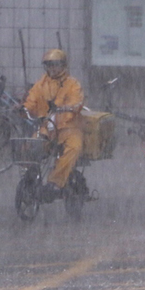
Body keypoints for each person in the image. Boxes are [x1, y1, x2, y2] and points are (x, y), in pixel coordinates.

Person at [22, 48, 85, 202]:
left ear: (63, 66)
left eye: (56, 65)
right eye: (49, 65)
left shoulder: (72, 84)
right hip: (47, 127)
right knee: (30, 145)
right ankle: (32, 175)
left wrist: (68, 108)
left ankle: (55, 183)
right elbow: (32, 100)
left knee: (74, 148)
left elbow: (77, 101)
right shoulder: (41, 84)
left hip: (69, 128)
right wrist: (23, 108)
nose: (52, 69)